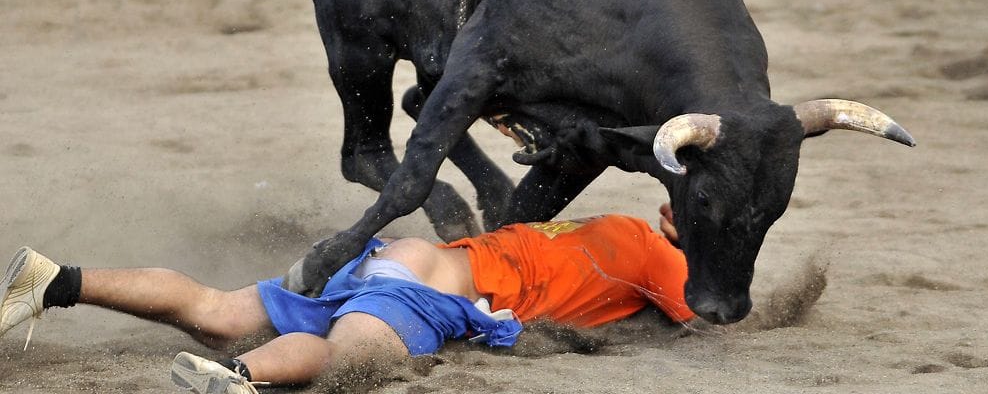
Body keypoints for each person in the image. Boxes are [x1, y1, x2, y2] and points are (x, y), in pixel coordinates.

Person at [1, 212, 692, 393]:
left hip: (395, 255)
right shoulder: (666, 254)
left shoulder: (614, 226)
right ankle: (242, 381)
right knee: (342, 360)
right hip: (433, 290)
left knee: (220, 311)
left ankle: (55, 281)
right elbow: (712, 314)